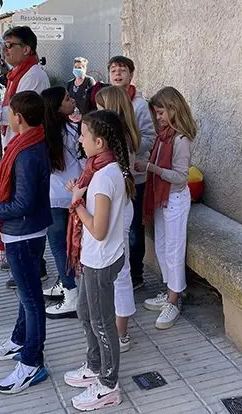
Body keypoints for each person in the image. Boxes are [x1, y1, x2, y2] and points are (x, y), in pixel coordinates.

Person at [0, 91, 51, 395]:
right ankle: (20, 341)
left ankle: (32, 363)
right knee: (26, 294)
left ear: (18, 117)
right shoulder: (29, 142)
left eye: (9, 111)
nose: (5, 114)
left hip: (22, 233)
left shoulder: (27, 151)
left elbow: (21, 204)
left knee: (32, 301)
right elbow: (17, 191)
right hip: (27, 232)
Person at [63, 109, 134, 411]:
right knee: (84, 311)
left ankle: (108, 384)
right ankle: (94, 365)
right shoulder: (99, 168)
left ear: (100, 142)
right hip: (96, 257)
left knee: (103, 324)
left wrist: (76, 202)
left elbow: (99, 230)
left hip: (101, 259)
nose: (80, 139)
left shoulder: (104, 177)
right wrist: (80, 193)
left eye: (84, 134)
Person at [88, 56, 155, 289]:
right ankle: (120, 274)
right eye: (113, 70)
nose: (117, 74)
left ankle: (135, 275)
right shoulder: (104, 100)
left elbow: (149, 137)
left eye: (122, 70)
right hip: (113, 180)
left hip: (133, 177)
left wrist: (131, 148)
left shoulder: (140, 105)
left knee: (134, 228)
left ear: (131, 74)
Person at [137, 87, 197, 330]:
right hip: (163, 199)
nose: (158, 118)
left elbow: (181, 177)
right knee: (161, 246)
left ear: (174, 109)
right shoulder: (164, 135)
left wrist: (151, 168)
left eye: (161, 113)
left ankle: (175, 298)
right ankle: (169, 290)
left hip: (175, 200)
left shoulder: (180, 139)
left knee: (173, 249)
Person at [94, 85, 141, 352]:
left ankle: (121, 334)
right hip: (118, 205)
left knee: (119, 273)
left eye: (100, 107)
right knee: (116, 271)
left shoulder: (117, 135)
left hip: (118, 207)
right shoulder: (124, 131)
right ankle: (117, 326)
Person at [41, 87, 85, 320]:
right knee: (68, 245)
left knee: (59, 246)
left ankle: (71, 291)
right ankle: (67, 285)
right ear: (56, 107)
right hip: (70, 194)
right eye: (67, 99)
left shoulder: (49, 132)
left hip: (57, 196)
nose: (72, 100)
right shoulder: (70, 130)